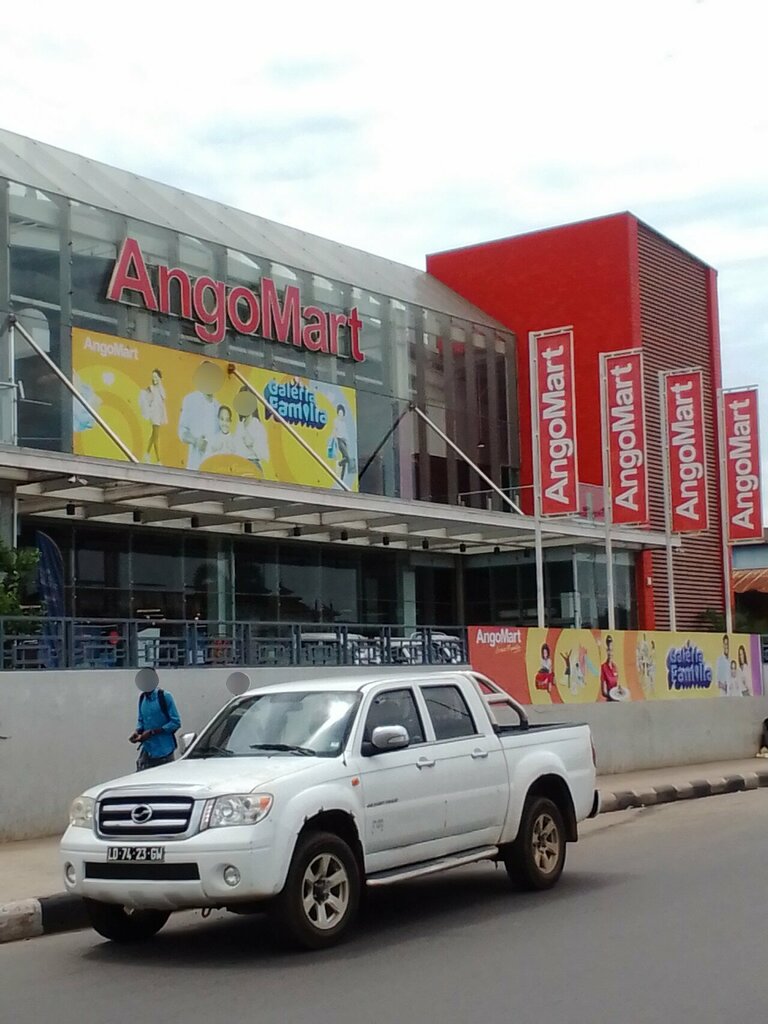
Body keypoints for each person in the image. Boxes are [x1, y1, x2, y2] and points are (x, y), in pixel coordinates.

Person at [178, 361, 225, 470]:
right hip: (195, 466)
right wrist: (196, 441)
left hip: (215, 468)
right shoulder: (191, 400)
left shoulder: (218, 407)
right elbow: (182, 431)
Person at [129, 676, 181, 771]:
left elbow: (175, 722)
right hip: (147, 751)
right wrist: (137, 732)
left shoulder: (164, 697)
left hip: (164, 753)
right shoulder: (142, 698)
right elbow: (141, 720)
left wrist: (153, 732)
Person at [234, 388, 270, 470]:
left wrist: (252, 445)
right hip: (238, 464)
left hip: (252, 465)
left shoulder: (257, 425)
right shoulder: (239, 425)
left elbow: (264, 455)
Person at [139, 368, 167, 464]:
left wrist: (159, 385)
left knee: (153, 436)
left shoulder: (160, 389)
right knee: (156, 436)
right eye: (153, 377)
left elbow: (164, 397)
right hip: (154, 414)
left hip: (159, 414)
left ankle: (147, 454)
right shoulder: (150, 388)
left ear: (159, 378)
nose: (154, 379)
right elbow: (144, 396)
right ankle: (158, 460)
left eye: (156, 377)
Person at [330, 403, 351, 482]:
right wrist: (333, 439)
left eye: (342, 413)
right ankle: (339, 463)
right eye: (339, 413)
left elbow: (345, 433)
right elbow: (335, 431)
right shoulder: (336, 421)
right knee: (347, 458)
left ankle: (341, 480)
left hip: (345, 441)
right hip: (339, 440)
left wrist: (348, 442)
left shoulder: (344, 423)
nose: (340, 414)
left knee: (345, 462)